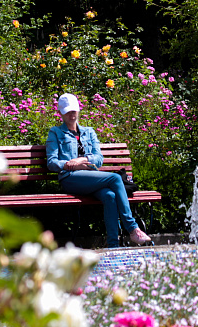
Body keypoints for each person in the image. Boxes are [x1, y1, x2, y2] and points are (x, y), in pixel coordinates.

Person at [45, 93, 152, 248]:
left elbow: (98, 158)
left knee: (109, 196)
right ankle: (133, 228)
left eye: (74, 111)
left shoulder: (89, 132)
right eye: (68, 111)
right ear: (61, 112)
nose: (71, 114)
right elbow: (52, 162)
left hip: (90, 178)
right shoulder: (55, 132)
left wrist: (83, 160)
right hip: (70, 178)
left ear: (78, 111)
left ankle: (113, 246)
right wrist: (69, 164)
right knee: (115, 179)